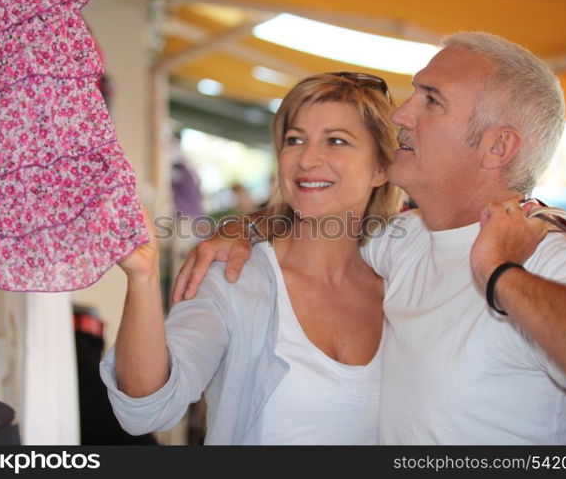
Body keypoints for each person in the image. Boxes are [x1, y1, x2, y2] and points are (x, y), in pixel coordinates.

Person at [172, 32, 566, 444]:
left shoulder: (551, 260)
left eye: (431, 101)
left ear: (498, 147)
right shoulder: (403, 241)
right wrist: (245, 227)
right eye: (414, 93)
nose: (400, 114)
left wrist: (502, 273)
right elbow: (318, 221)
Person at [100, 72, 405, 444]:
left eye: (336, 141)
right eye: (295, 140)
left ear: (381, 169)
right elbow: (146, 408)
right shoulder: (235, 276)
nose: (307, 159)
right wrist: (143, 277)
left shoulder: (405, 281)